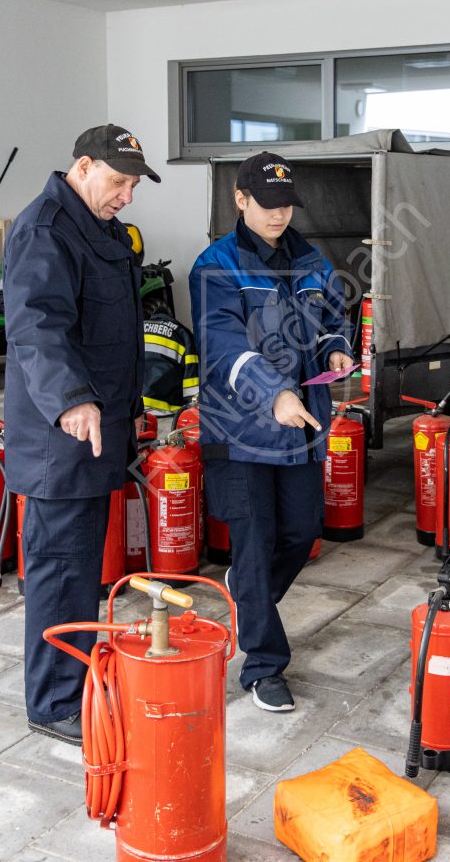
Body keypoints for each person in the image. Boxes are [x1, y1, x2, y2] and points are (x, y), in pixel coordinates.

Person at [3, 124, 161, 744]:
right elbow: (37, 326)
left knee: (80, 571)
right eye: (118, 181)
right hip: (61, 437)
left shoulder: (103, 231)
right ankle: (53, 704)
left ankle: (75, 682)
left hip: (100, 433)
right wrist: (71, 400)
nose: (126, 195)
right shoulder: (46, 228)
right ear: (84, 166)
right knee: (60, 571)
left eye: (132, 185)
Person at [189, 151, 354, 712]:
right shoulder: (215, 265)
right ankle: (263, 665)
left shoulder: (313, 262)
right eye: (267, 204)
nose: (279, 214)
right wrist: (273, 391)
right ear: (239, 200)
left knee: (301, 531)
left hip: (301, 427)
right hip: (239, 429)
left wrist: (336, 350)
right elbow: (223, 344)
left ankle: (248, 593)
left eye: (287, 204)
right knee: (256, 543)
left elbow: (335, 320)